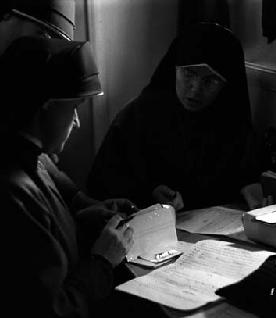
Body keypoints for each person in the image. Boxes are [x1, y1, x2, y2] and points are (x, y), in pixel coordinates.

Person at [0, 36, 135, 318]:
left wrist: (79, 219)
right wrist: (102, 261)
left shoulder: (26, 155)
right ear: (47, 107)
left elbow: (39, 242)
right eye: (74, 108)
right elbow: (53, 317)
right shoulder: (7, 191)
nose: (77, 122)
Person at [87, 22, 265, 211]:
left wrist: (251, 190)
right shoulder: (137, 117)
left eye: (211, 80)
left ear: (226, 86)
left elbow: (244, 175)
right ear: (174, 68)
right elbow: (103, 186)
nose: (195, 89)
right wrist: (150, 192)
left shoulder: (232, 123)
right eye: (189, 73)